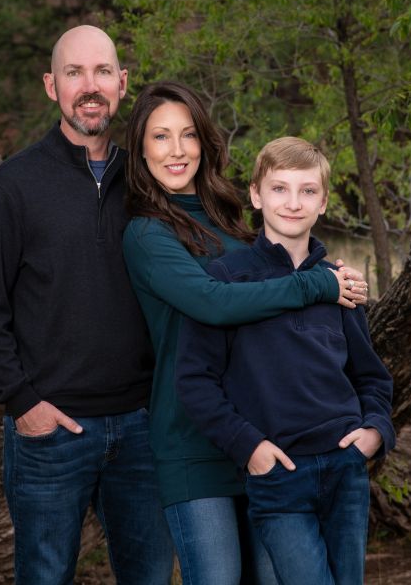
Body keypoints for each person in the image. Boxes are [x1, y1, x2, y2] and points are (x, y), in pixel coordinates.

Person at [121, 83, 369, 585]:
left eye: (188, 134)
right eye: (160, 136)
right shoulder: (147, 233)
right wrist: (317, 285)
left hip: (265, 436)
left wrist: (332, 280)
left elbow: (279, 276)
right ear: (140, 148)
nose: (176, 150)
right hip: (193, 437)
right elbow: (213, 303)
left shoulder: (229, 220)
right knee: (218, 577)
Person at [0, 26, 174, 584]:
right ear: (51, 86)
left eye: (102, 71)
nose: (90, 86)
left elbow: (219, 256)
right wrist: (23, 402)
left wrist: (310, 265)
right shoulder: (15, 184)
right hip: (50, 431)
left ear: (122, 84)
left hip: (144, 428)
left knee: (150, 576)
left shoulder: (150, 180)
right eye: (74, 73)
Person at [175, 136, 396, 584]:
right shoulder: (225, 281)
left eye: (307, 191)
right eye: (279, 189)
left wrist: (374, 432)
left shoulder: (340, 285)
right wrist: (250, 448)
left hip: (344, 469)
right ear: (255, 195)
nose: (293, 203)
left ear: (324, 202)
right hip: (280, 473)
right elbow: (195, 381)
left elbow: (371, 377)